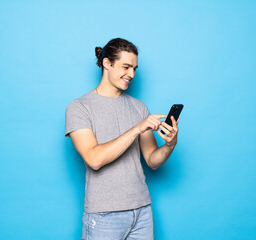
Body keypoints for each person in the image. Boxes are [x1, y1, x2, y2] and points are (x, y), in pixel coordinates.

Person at [65, 38, 180, 240]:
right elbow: (94, 159)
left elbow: (152, 161)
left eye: (134, 68)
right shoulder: (79, 107)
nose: (132, 74)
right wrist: (137, 128)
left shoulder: (138, 107)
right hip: (104, 214)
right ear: (107, 63)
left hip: (142, 211)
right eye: (126, 67)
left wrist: (170, 145)